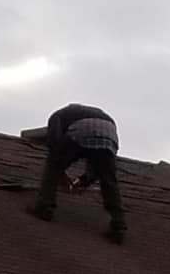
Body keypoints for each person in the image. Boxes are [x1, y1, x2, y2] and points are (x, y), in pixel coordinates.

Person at [29, 103, 127, 243]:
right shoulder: (82, 113)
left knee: (52, 165)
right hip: (109, 133)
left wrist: (59, 172)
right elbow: (98, 165)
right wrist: (84, 180)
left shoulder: (56, 116)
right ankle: (119, 225)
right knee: (109, 180)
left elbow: (54, 146)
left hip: (81, 130)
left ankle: (44, 207)